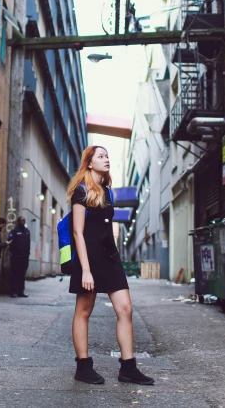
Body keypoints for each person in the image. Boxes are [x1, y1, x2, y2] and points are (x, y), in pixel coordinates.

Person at [68, 145, 154, 386]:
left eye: (108, 156)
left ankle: (128, 368)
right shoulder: (81, 192)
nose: (107, 159)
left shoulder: (107, 191)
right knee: (84, 310)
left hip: (109, 256)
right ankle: (83, 366)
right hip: (89, 257)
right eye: (101, 156)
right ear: (89, 163)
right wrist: (85, 269)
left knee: (125, 308)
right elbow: (78, 231)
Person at [8, 216, 31, 298]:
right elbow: (10, 243)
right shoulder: (14, 231)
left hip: (24, 257)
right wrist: (13, 253)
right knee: (14, 274)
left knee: (22, 274)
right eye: (21, 220)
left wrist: (28, 254)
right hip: (16, 257)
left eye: (23, 221)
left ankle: (21, 291)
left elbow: (28, 244)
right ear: (18, 221)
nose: (22, 222)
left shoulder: (27, 231)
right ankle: (13, 291)